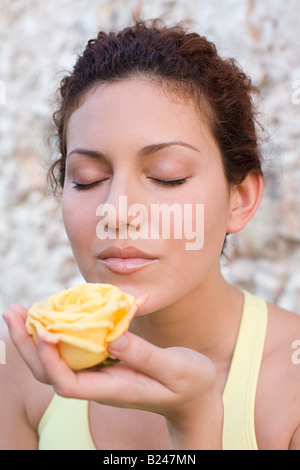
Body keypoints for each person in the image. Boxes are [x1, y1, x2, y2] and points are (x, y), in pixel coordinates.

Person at [1, 19, 300, 450]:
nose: (117, 213)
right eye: (87, 179)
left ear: (240, 199)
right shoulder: (20, 372)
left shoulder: (290, 381)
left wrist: (196, 426)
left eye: (167, 177)